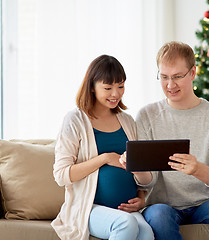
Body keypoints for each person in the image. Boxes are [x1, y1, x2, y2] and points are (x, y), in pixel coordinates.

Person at [134, 41, 209, 239]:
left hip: (206, 203)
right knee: (158, 215)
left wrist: (197, 169)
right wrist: (137, 167)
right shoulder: (146, 116)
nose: (170, 85)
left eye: (177, 76)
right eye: (164, 77)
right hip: (163, 206)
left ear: (193, 73)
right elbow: (147, 182)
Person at [51, 55, 154, 240]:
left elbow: (143, 178)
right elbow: (61, 175)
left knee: (147, 233)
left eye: (120, 86)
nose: (115, 94)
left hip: (126, 210)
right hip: (89, 208)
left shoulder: (128, 121)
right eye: (108, 88)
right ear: (92, 86)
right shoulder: (75, 120)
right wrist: (105, 158)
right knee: (125, 224)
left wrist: (141, 197)